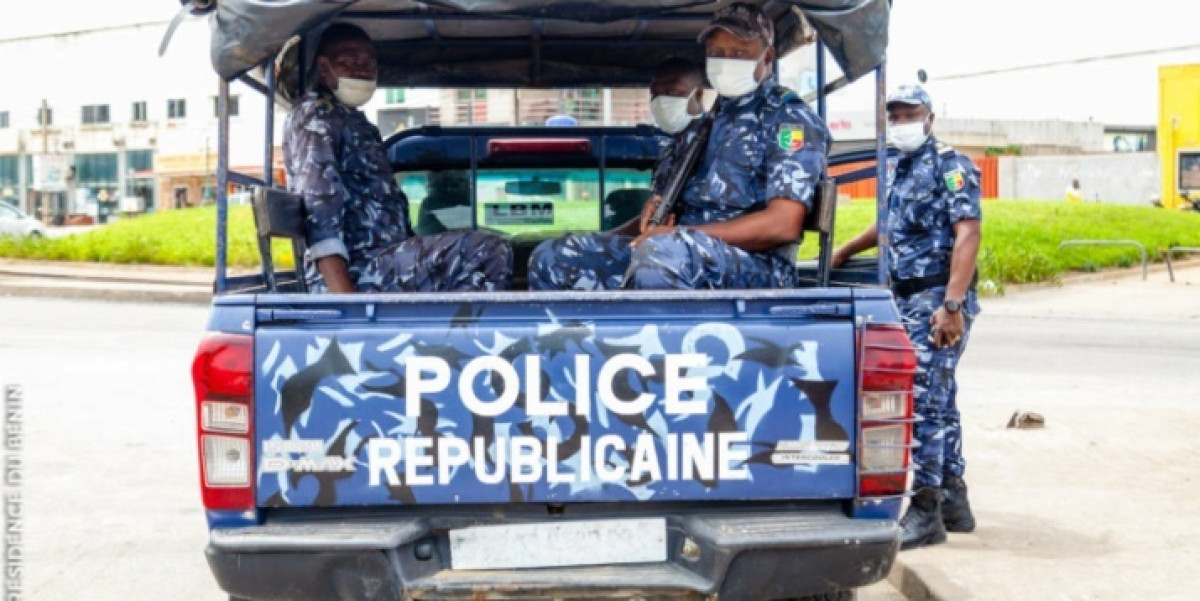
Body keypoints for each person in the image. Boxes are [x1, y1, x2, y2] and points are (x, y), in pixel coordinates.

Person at [529, 3, 829, 291]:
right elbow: (665, 213)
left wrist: (679, 235)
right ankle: (576, 342)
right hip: (677, 251)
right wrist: (655, 212)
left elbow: (783, 225)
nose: (727, 61)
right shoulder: (703, 126)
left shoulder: (788, 119)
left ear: (767, 58)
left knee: (662, 255)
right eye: (717, 54)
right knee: (555, 256)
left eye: (740, 53)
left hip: (758, 266)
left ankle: (650, 344)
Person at [831, 84, 983, 551]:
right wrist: (845, 250)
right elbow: (888, 225)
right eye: (893, 115)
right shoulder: (898, 167)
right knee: (941, 399)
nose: (901, 122)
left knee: (923, 407)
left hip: (939, 300)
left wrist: (952, 306)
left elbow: (969, 234)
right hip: (909, 300)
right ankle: (955, 501)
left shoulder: (950, 164)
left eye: (909, 113)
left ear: (930, 116)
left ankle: (926, 509)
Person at [284, 23, 511, 293]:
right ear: (324, 68)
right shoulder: (315, 116)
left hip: (383, 263)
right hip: (356, 272)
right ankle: (463, 333)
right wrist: (345, 303)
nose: (362, 67)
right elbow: (319, 212)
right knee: (485, 249)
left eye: (370, 61)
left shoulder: (357, 123)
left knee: (484, 245)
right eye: (349, 60)